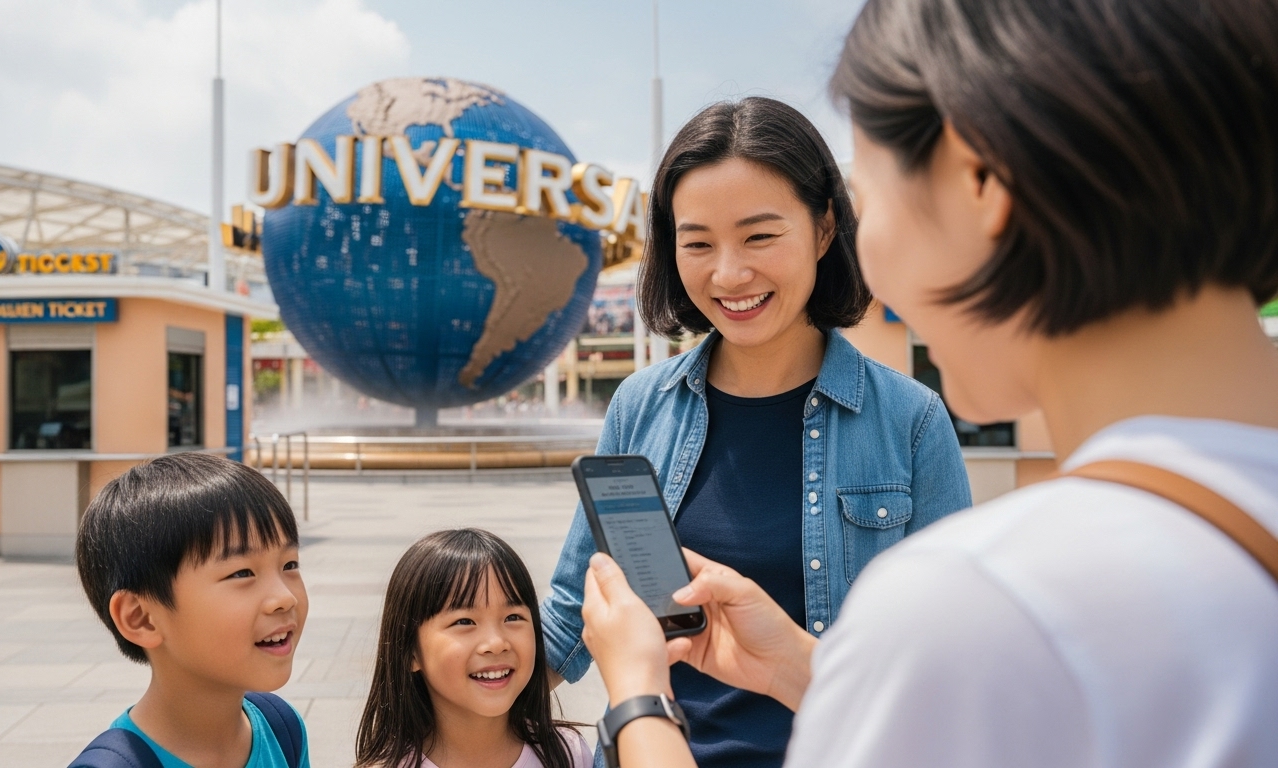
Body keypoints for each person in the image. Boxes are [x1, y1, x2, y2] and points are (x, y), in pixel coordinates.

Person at [578, 0, 1278, 766]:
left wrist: (636, 696)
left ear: (978, 178)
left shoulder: (978, 607)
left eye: (869, 195)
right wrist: (800, 666)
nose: (868, 246)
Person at [541, 96, 972, 767]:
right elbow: (573, 608)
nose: (729, 273)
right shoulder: (639, 406)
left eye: (760, 236)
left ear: (825, 228)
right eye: (698, 243)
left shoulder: (911, 420)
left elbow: (950, 653)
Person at [72, 453, 311, 768]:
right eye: (242, 573)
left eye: (289, 565)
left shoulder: (281, 729)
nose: (284, 598)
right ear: (141, 618)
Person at [355, 528, 592, 768]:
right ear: (410, 652)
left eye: (512, 617)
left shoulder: (568, 754)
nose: (496, 643)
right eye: (464, 622)